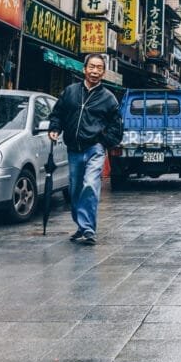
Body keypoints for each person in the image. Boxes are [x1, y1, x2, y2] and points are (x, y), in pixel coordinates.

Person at [48, 54, 123, 245]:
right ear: (84, 69)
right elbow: (57, 113)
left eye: (99, 68)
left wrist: (103, 141)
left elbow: (117, 127)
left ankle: (89, 230)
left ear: (103, 72)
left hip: (94, 148)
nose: (95, 71)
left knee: (90, 184)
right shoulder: (70, 92)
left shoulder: (109, 98)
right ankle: (81, 227)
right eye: (92, 67)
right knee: (75, 190)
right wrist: (55, 128)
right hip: (74, 149)